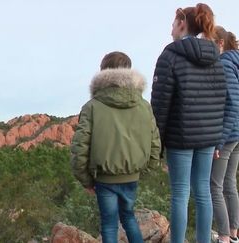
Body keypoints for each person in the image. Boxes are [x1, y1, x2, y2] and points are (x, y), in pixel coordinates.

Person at [151, 3, 226, 243]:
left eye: (173, 23)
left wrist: (157, 142)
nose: (171, 28)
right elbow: (221, 100)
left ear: (182, 24)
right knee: (203, 191)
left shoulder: (170, 55)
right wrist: (217, 139)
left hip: (180, 137)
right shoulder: (215, 57)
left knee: (181, 194)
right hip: (208, 137)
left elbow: (160, 104)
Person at [71, 51, 160, 243]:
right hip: (132, 176)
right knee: (128, 218)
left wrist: (85, 180)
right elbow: (155, 144)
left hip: (105, 179)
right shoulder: (144, 106)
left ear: (103, 72)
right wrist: (143, 171)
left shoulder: (92, 107)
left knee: (109, 224)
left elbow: (80, 147)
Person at [211, 26, 239, 243]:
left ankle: (223, 237)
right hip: (236, 133)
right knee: (229, 183)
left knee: (215, 185)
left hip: (228, 134)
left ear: (220, 43)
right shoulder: (235, 62)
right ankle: (233, 234)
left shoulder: (224, 64)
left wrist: (220, 141)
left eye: (210, 41)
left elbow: (232, 103)